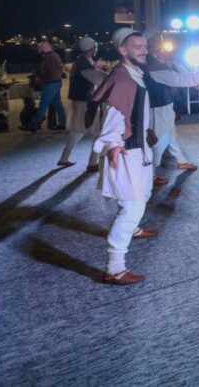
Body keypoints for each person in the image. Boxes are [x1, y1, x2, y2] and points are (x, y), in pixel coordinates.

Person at [89, 28, 158, 285]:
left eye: (144, 46)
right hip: (127, 150)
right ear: (123, 51)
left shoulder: (133, 74)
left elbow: (133, 110)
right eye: (137, 47)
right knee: (133, 205)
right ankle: (115, 267)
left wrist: (144, 127)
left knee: (143, 194)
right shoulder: (123, 79)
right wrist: (113, 145)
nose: (144, 50)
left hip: (138, 147)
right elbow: (114, 116)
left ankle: (134, 228)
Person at [142, 30, 199, 185]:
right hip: (158, 108)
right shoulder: (152, 65)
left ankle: (181, 160)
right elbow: (180, 80)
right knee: (159, 142)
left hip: (164, 106)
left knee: (171, 136)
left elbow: (178, 75)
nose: (158, 44)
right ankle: (150, 174)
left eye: (159, 40)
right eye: (154, 41)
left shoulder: (155, 61)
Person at [57, 37, 107, 169]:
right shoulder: (86, 65)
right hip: (86, 103)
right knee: (98, 132)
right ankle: (92, 163)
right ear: (92, 48)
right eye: (95, 47)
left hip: (80, 102)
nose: (96, 49)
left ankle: (64, 158)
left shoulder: (80, 61)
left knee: (77, 131)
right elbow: (101, 79)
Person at [22, 40, 66, 132]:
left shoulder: (50, 58)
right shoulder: (54, 56)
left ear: (43, 49)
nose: (40, 52)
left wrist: (38, 74)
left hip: (51, 84)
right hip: (56, 83)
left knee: (43, 105)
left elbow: (48, 73)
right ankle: (63, 124)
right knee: (58, 105)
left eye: (40, 50)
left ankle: (33, 126)